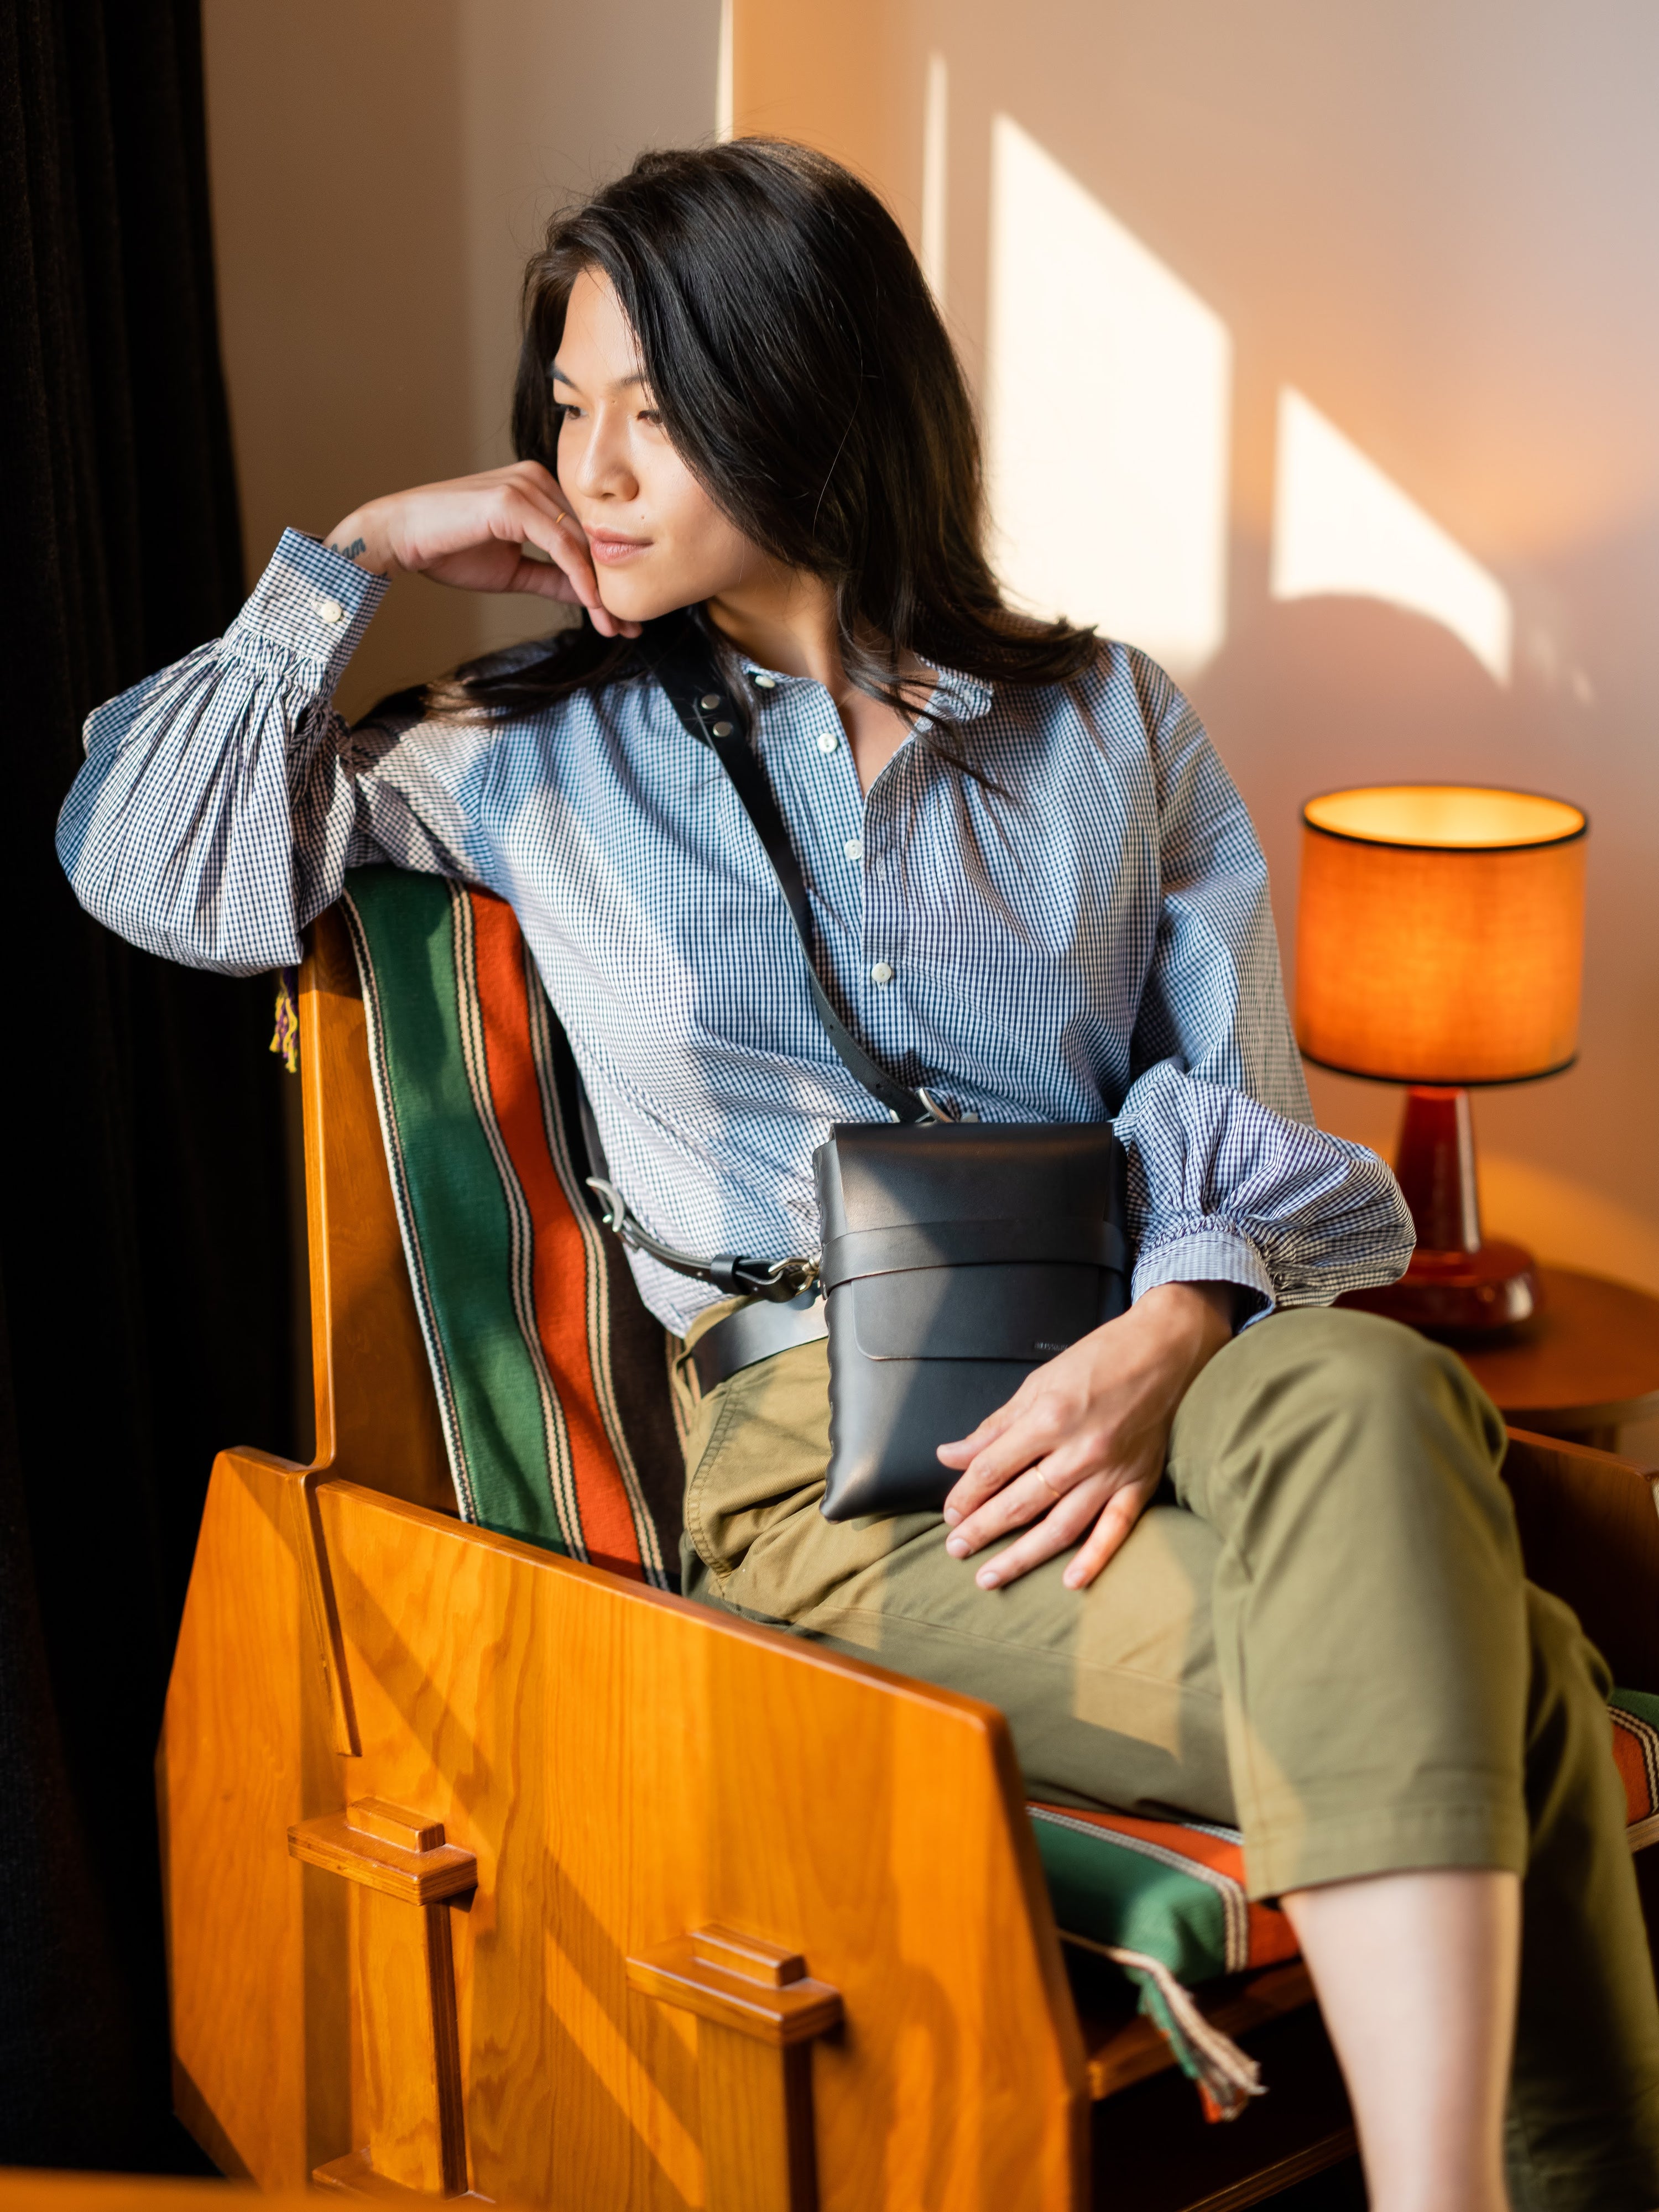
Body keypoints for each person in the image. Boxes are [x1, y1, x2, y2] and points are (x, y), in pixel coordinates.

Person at [57, 138, 1658, 2210]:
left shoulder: (1105, 726)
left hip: (1161, 1358)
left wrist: (1167, 1338)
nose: (589, 465)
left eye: (653, 406)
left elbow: (1261, 1131)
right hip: (834, 1467)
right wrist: (353, 555)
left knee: (1374, 1383)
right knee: (1511, 1664)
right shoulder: (523, 754)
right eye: (565, 408)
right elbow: (143, 870)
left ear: (805, 391)